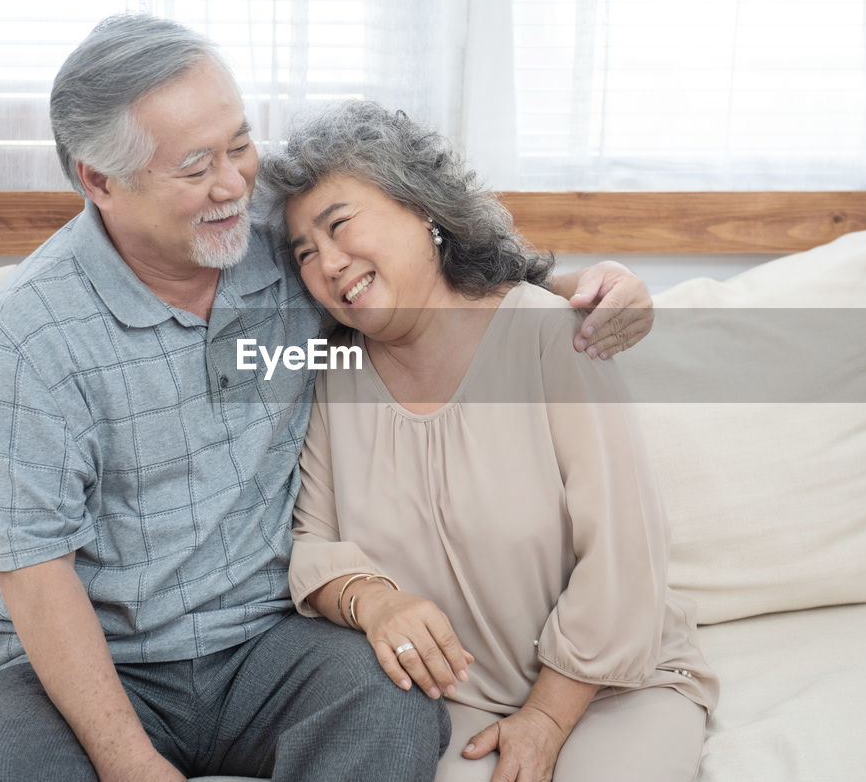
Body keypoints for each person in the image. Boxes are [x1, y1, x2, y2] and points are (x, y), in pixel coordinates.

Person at [0, 14, 655, 782]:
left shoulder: (282, 238)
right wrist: (129, 763)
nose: (232, 184)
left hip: (269, 644)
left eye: (240, 144)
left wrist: (572, 290)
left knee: (395, 708)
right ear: (100, 181)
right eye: (195, 166)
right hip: (94, 663)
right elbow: (37, 579)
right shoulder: (23, 344)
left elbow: (415, 266)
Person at [262, 101, 718, 782]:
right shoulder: (337, 374)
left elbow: (625, 553)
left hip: (613, 686)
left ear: (423, 210)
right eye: (305, 253)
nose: (327, 263)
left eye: (339, 225)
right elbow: (315, 546)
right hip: (451, 699)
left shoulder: (551, 336)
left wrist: (546, 719)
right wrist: (378, 602)